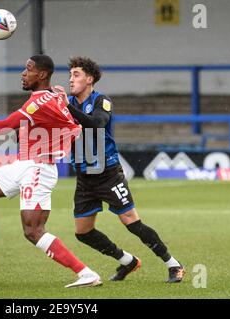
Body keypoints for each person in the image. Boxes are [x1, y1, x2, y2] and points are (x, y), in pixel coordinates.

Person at [0, 54, 102, 288]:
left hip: (38, 169)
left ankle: (86, 273)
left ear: (42, 74)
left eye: (28, 69)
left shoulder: (41, 101)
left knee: (33, 230)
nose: (23, 74)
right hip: (24, 163)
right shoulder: (48, 98)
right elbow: (65, 125)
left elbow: (5, 125)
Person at [55, 56, 185, 283]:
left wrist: (64, 106)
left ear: (90, 79)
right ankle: (127, 261)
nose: (71, 80)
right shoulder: (69, 105)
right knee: (83, 233)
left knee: (132, 222)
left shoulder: (101, 101)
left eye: (76, 75)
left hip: (107, 172)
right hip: (84, 176)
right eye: (70, 75)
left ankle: (173, 265)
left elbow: (96, 123)